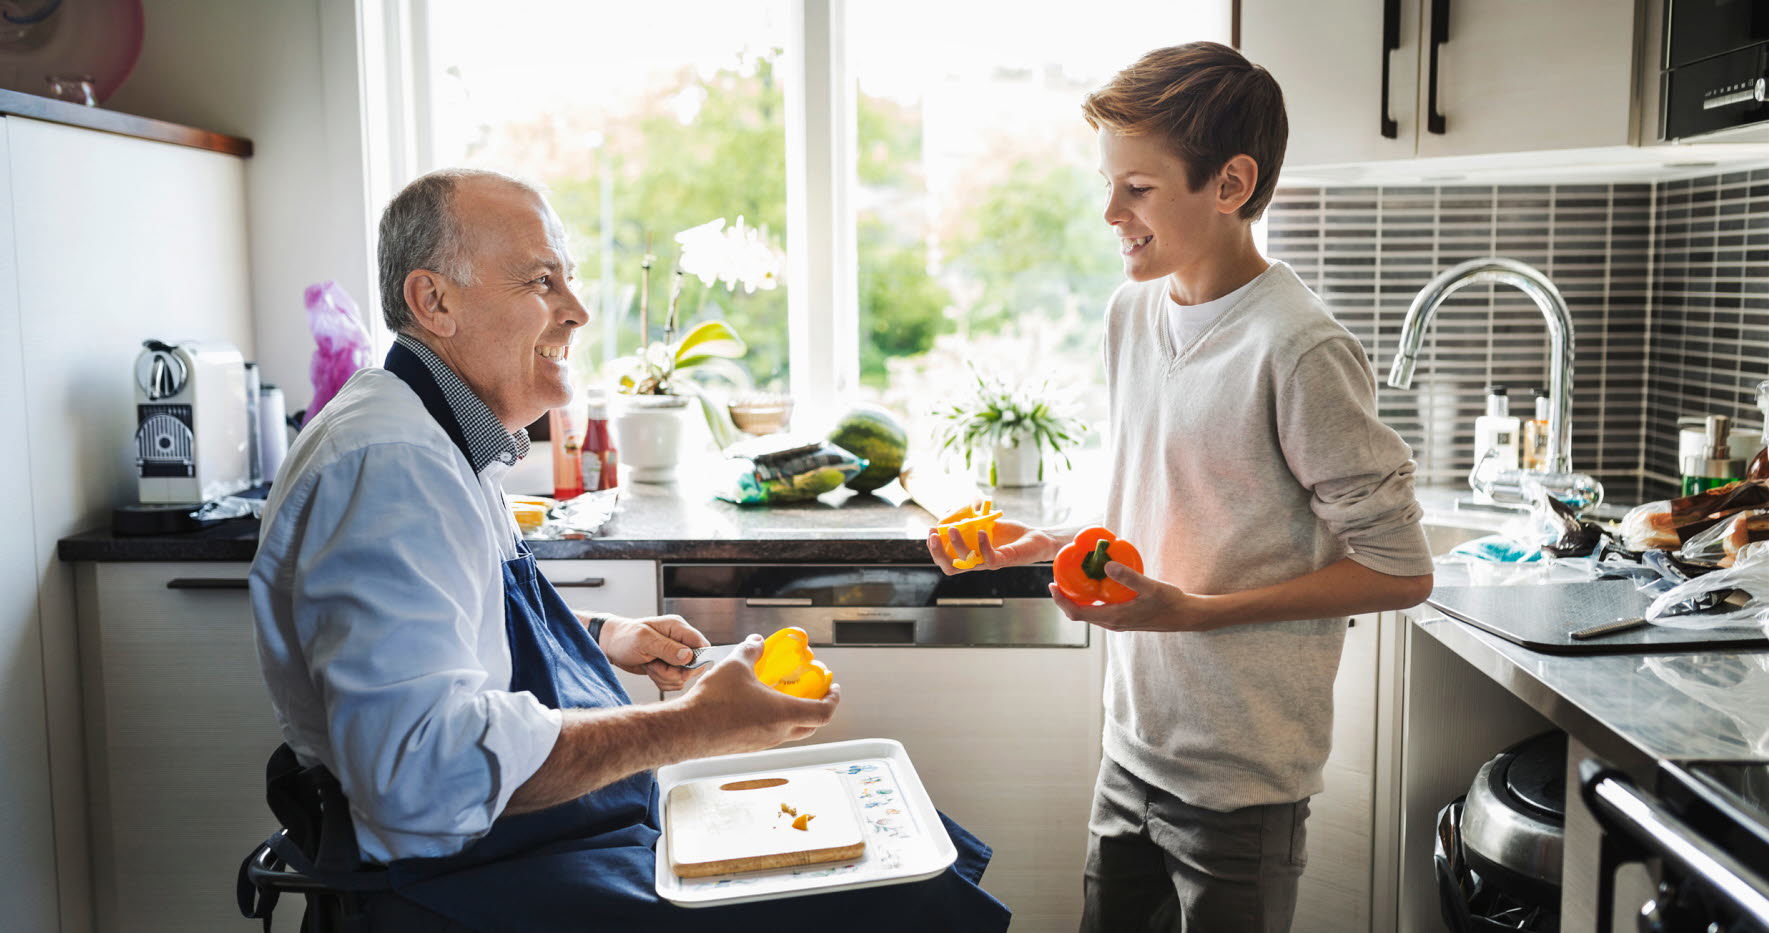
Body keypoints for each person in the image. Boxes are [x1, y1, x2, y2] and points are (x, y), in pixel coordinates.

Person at [251, 168, 1010, 931]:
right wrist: (693, 725)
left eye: (569, 281)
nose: (576, 311)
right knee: (891, 897)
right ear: (434, 301)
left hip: (538, 843)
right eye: (541, 282)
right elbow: (422, 774)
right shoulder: (392, 466)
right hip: (463, 886)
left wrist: (604, 635)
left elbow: (452, 631)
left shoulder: (439, 436)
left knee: (906, 845)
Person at [925, 43, 1435, 933]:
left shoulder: (1297, 348)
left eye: (1137, 188)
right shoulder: (1133, 310)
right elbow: (1163, 494)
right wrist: (1051, 540)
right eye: (1108, 183)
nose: (1109, 212)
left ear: (1230, 184)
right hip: (1132, 745)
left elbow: (1401, 573)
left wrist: (1191, 611)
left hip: (1242, 778)